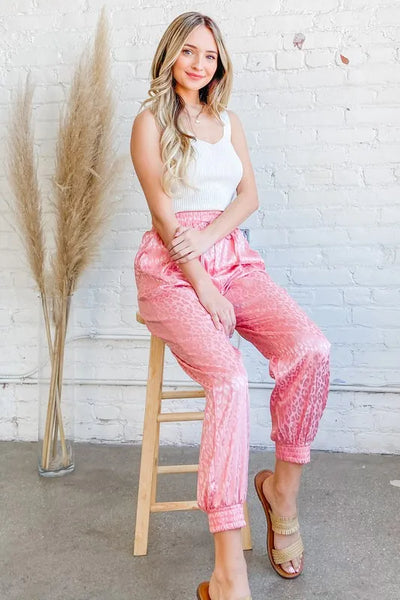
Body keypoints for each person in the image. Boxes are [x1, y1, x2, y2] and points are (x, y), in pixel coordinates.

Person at [130, 11, 331, 600]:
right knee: (230, 380)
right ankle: (227, 572)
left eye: (210, 55)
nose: (199, 63)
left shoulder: (228, 121)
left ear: (220, 64)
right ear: (170, 54)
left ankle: (281, 494)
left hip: (233, 258)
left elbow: (248, 197)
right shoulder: (149, 123)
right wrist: (204, 284)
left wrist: (215, 245)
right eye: (189, 51)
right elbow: (165, 219)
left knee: (311, 348)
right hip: (172, 272)